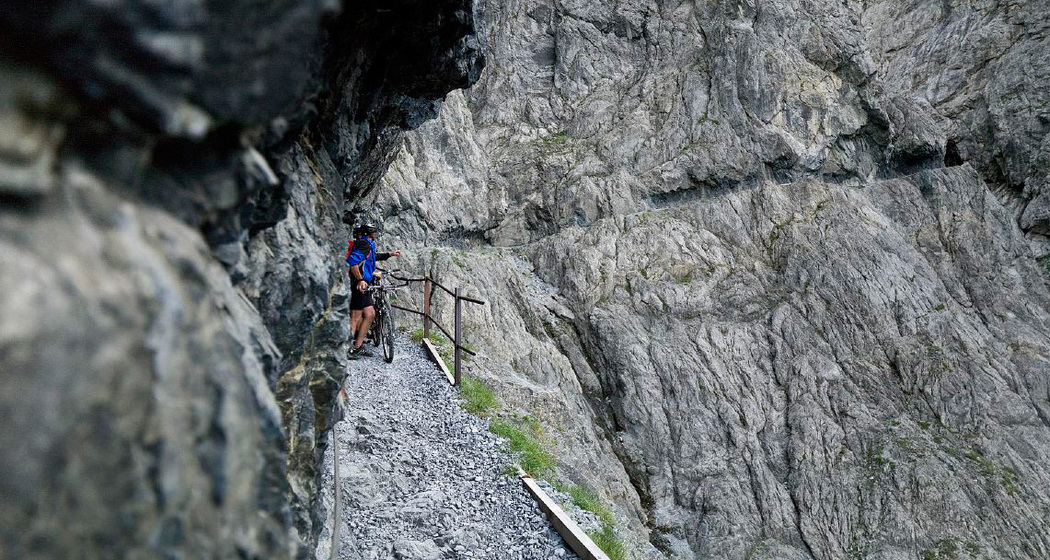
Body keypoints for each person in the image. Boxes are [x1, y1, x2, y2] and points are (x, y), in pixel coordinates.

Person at [345, 223, 402, 358]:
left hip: (366, 284)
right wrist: (360, 280)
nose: (376, 234)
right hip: (360, 285)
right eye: (374, 232)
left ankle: (357, 347)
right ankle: (345, 350)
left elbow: (372, 257)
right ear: (371, 233)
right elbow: (352, 262)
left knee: (370, 314)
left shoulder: (368, 243)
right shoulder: (364, 244)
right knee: (355, 317)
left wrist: (389, 254)